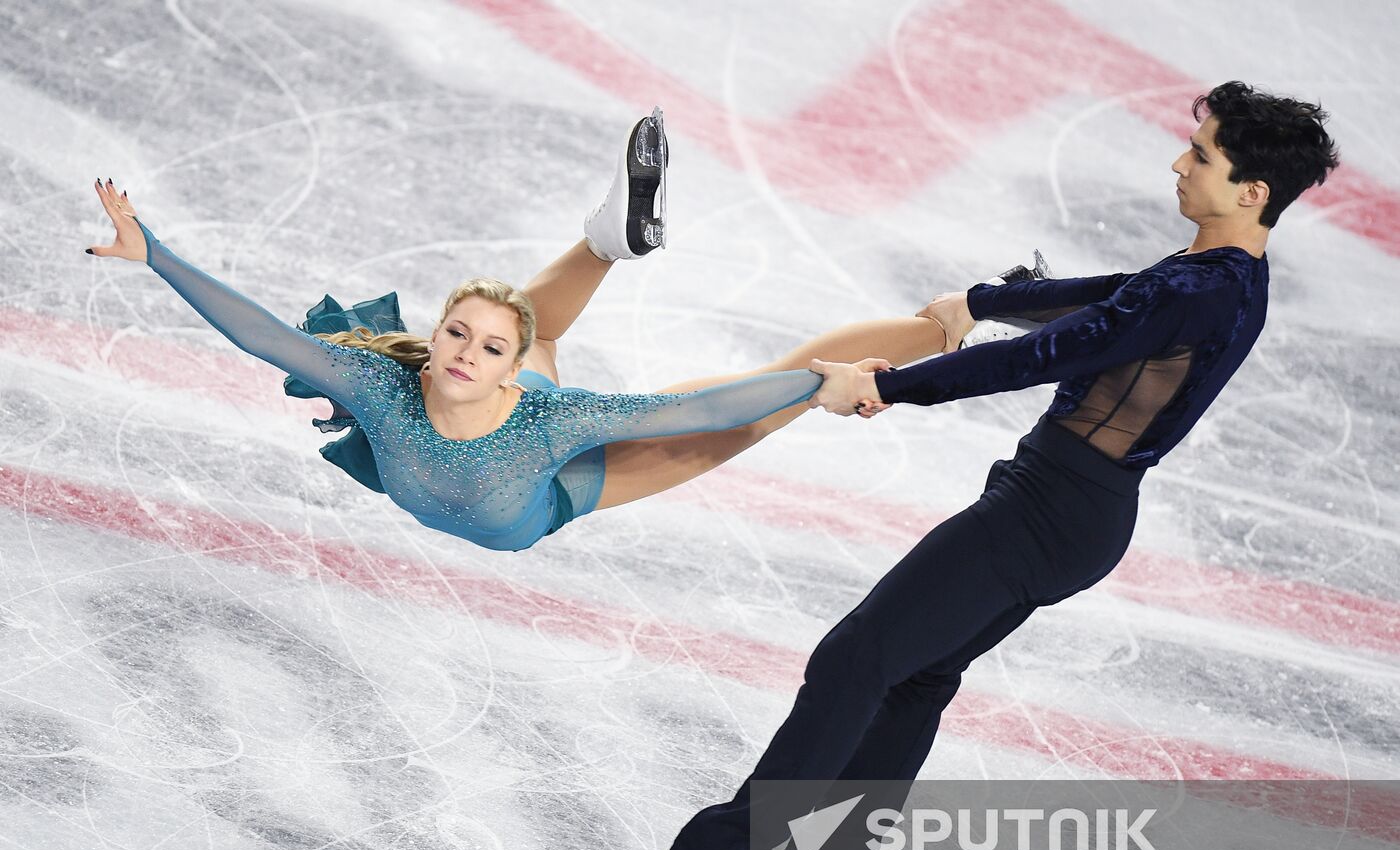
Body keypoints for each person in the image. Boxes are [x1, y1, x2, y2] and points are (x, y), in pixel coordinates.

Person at [570, 81, 1340, 850]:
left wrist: (886, 385)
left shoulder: (1197, 288)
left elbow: (1054, 352)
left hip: (1046, 513)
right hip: (1079, 513)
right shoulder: (1228, 276)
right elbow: (1113, 299)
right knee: (913, 680)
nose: (1179, 162)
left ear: (1252, 190)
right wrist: (980, 300)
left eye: (1202, 155)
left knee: (856, 661)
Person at [84, 109, 959, 552]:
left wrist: (819, 387)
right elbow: (266, 337)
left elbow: (695, 413)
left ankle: (946, 321)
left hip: (557, 491)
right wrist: (153, 253)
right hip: (510, 442)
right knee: (539, 330)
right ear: (435, 337)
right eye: (458, 335)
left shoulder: (549, 417)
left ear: (508, 371)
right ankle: (606, 243)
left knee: (754, 414)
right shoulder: (383, 387)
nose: (467, 355)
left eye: (490, 348)